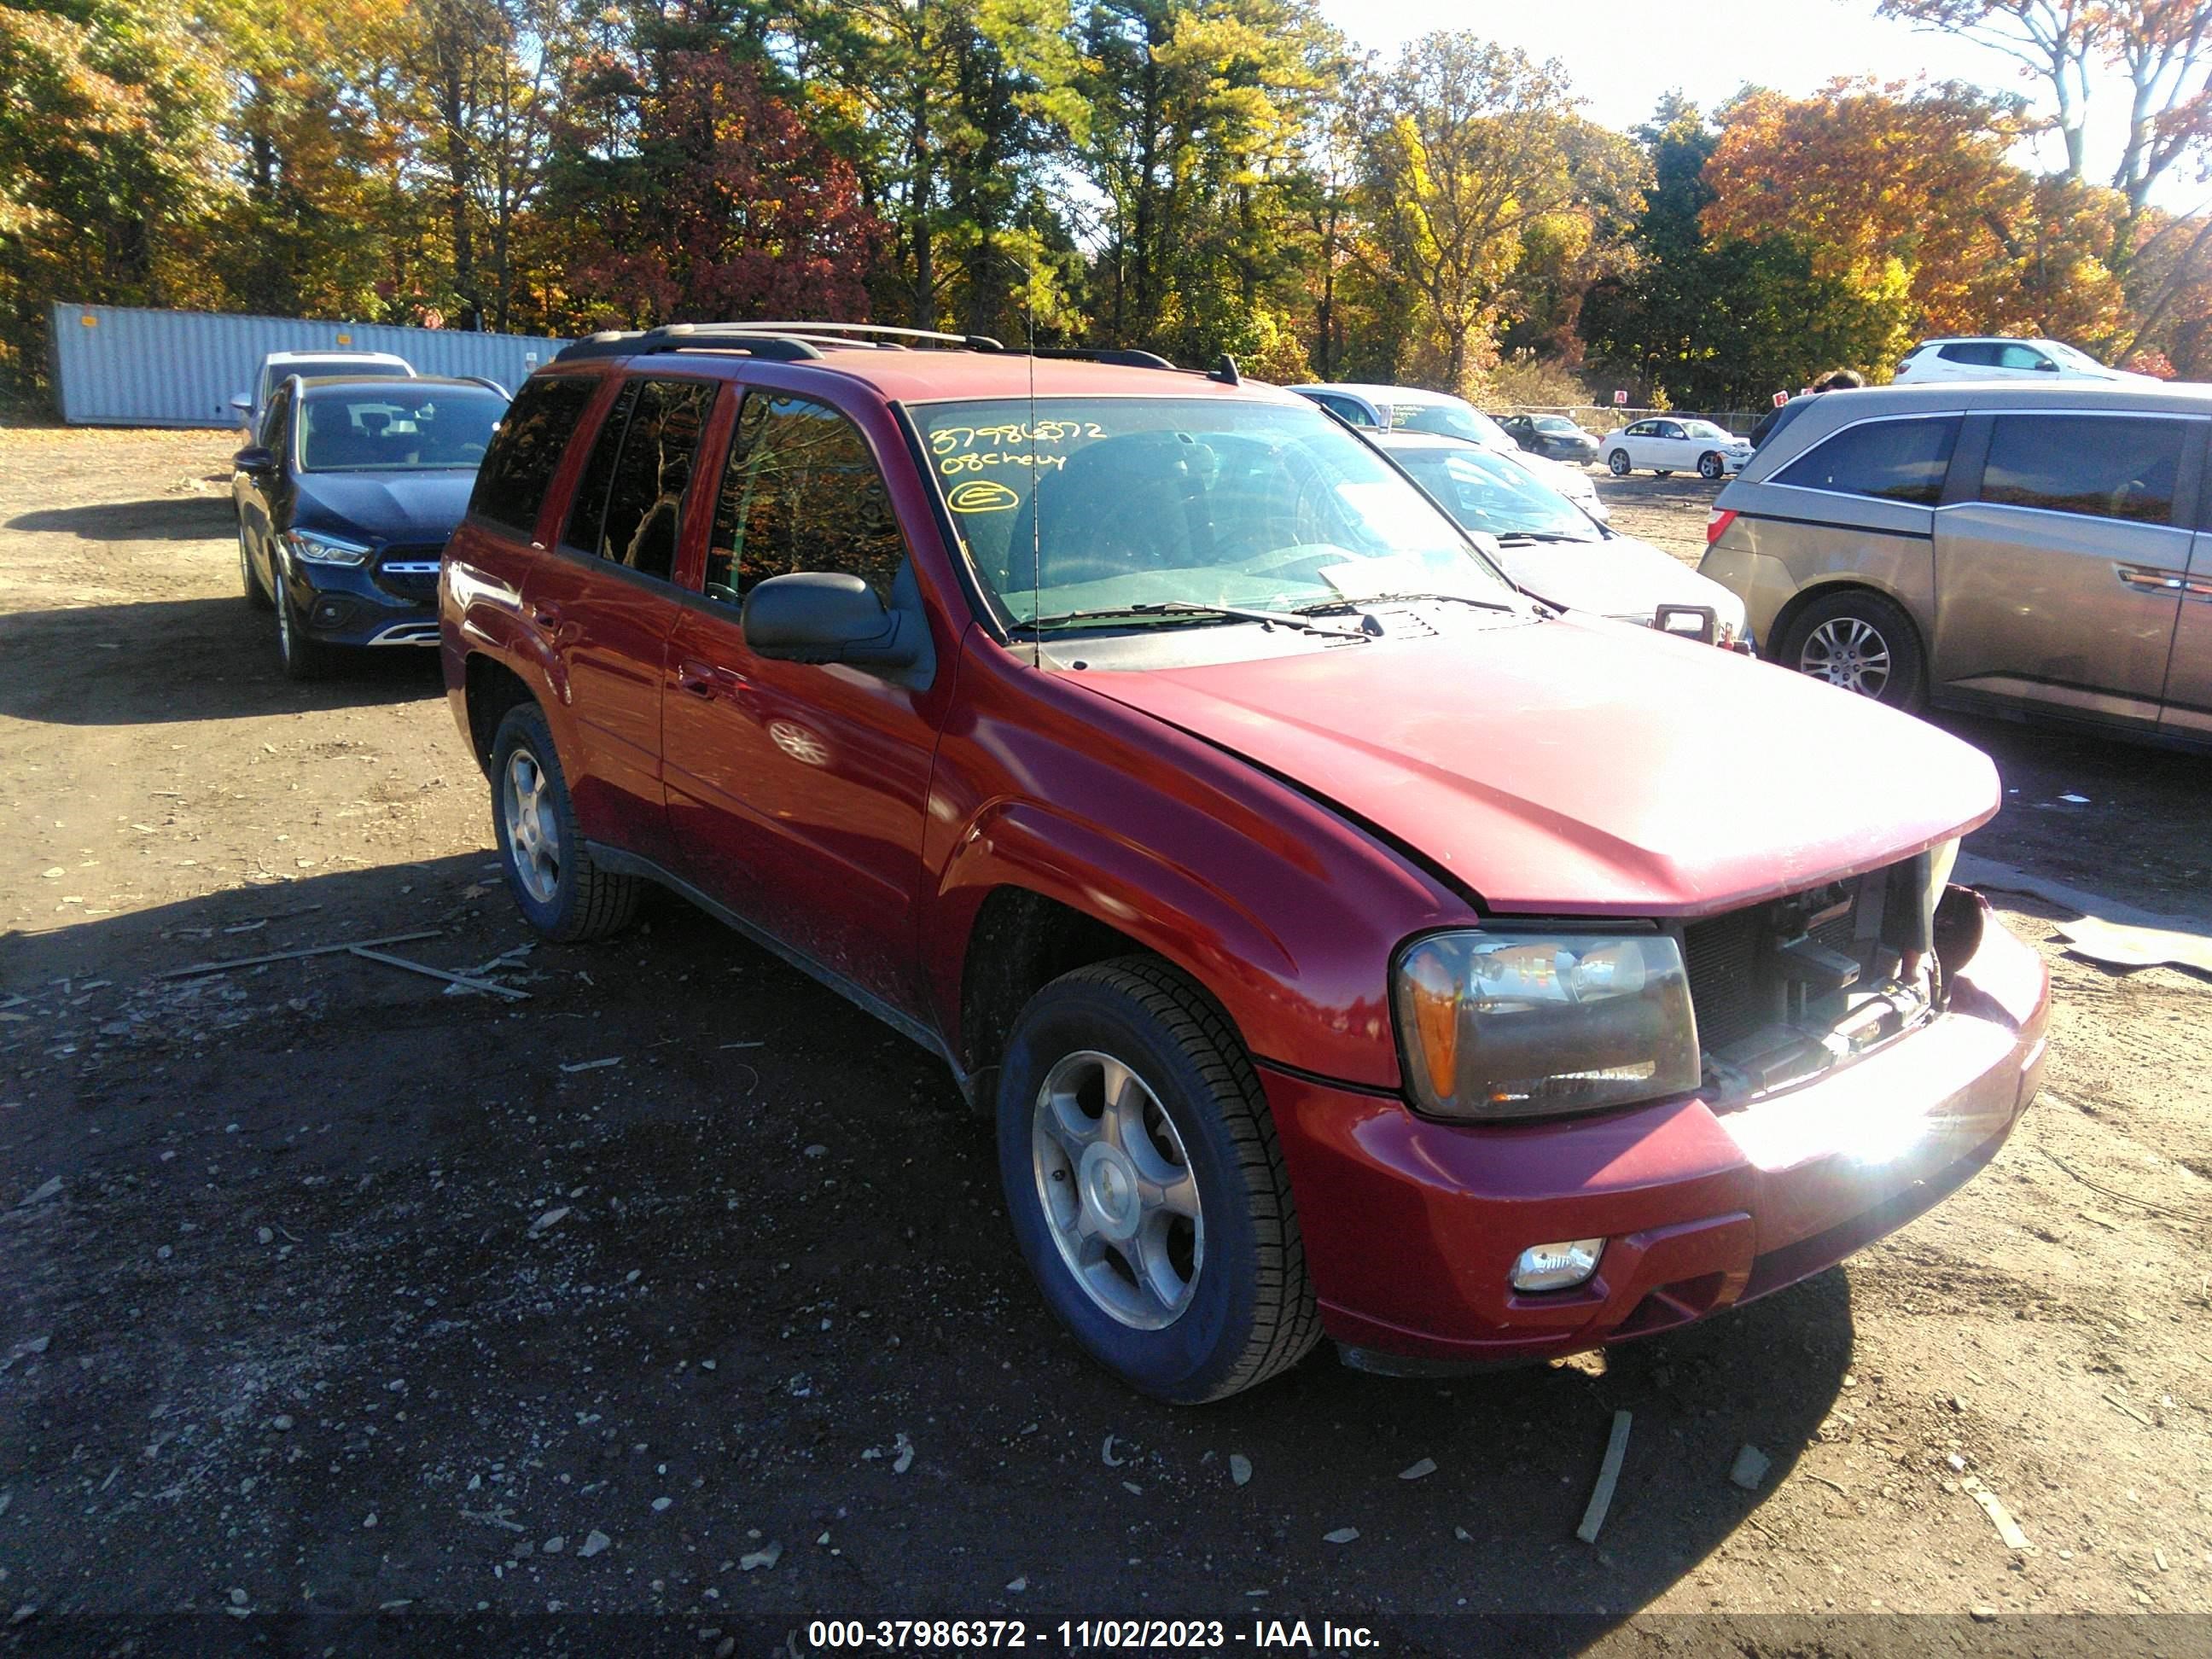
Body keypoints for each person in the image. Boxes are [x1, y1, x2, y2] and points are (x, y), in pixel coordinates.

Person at [1749, 368, 1867, 451]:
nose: (1848, 404)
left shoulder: (1848, 419)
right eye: (1847, 396)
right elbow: (1758, 438)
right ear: (1831, 389)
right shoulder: (1797, 410)